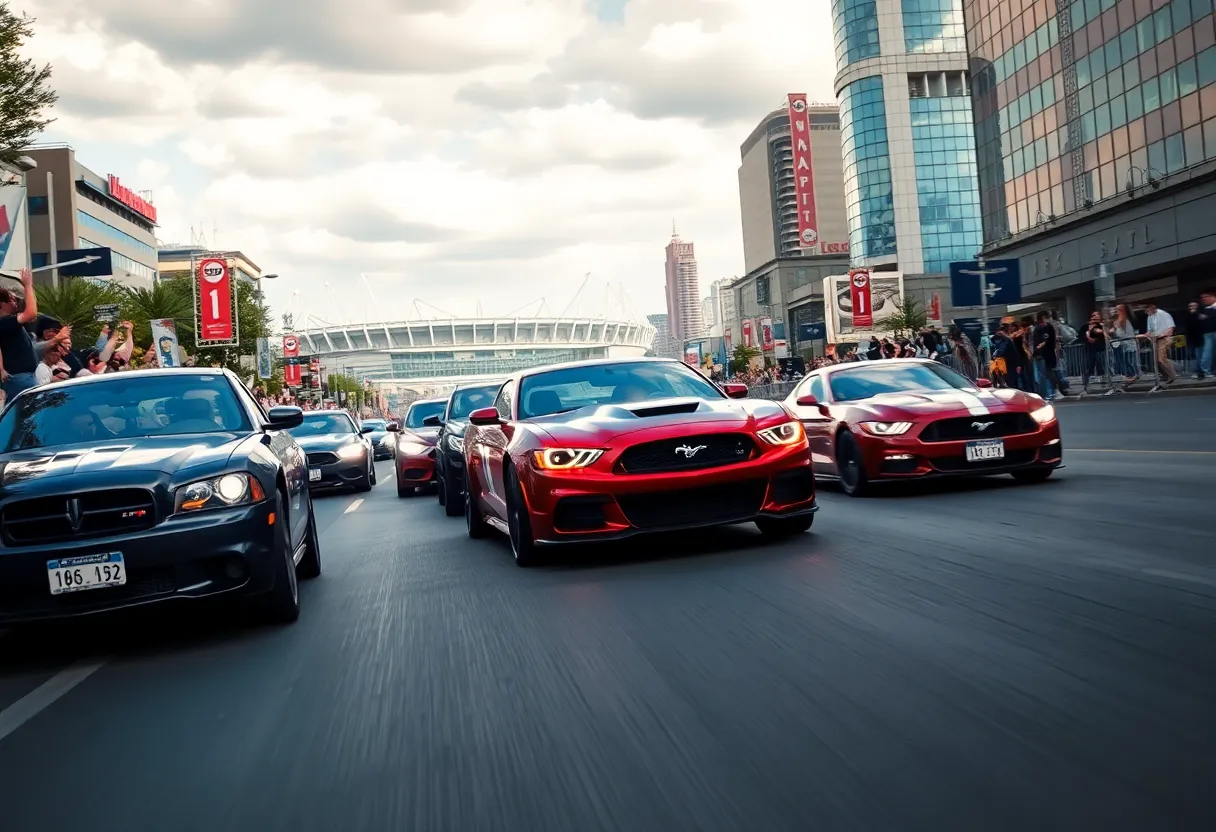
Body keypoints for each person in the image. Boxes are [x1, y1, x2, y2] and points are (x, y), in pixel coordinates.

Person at [0, 268, 42, 399]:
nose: (15, 302)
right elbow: (31, 313)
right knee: (32, 414)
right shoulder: (5, 322)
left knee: (19, 415)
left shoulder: (8, 323)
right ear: (2, 304)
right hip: (20, 377)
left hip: (20, 377)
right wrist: (28, 285)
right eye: (11, 300)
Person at [1141, 300, 1177, 386]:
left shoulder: (1163, 314)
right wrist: (1143, 336)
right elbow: (1150, 331)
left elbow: (1170, 328)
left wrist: (1165, 336)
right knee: (1155, 360)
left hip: (1164, 338)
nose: (1146, 311)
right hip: (1155, 339)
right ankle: (1166, 376)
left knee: (1161, 358)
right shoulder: (1149, 317)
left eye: (1147, 308)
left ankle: (1172, 376)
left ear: (1153, 307)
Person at [1032, 311, 1059, 400]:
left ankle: (1053, 391)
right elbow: (1040, 341)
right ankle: (1050, 392)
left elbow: (1046, 340)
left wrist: (1042, 345)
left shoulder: (1047, 327)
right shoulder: (1040, 328)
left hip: (1045, 354)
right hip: (1042, 354)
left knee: (1047, 374)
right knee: (1045, 374)